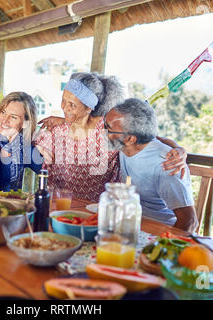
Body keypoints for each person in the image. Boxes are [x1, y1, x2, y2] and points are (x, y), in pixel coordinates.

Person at [35, 72, 187, 202]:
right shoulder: (56, 129)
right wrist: (40, 146)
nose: (64, 107)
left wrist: (178, 149)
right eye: (63, 100)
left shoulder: (108, 129)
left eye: (72, 105)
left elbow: (145, 136)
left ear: (89, 108)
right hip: (56, 206)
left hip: (95, 212)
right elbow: (30, 139)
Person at [104, 98, 198, 232]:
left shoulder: (167, 164)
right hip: (131, 226)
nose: (102, 132)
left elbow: (190, 222)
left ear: (130, 139)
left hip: (159, 232)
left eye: (108, 128)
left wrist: (158, 249)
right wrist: (178, 147)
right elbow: (158, 138)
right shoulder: (130, 142)